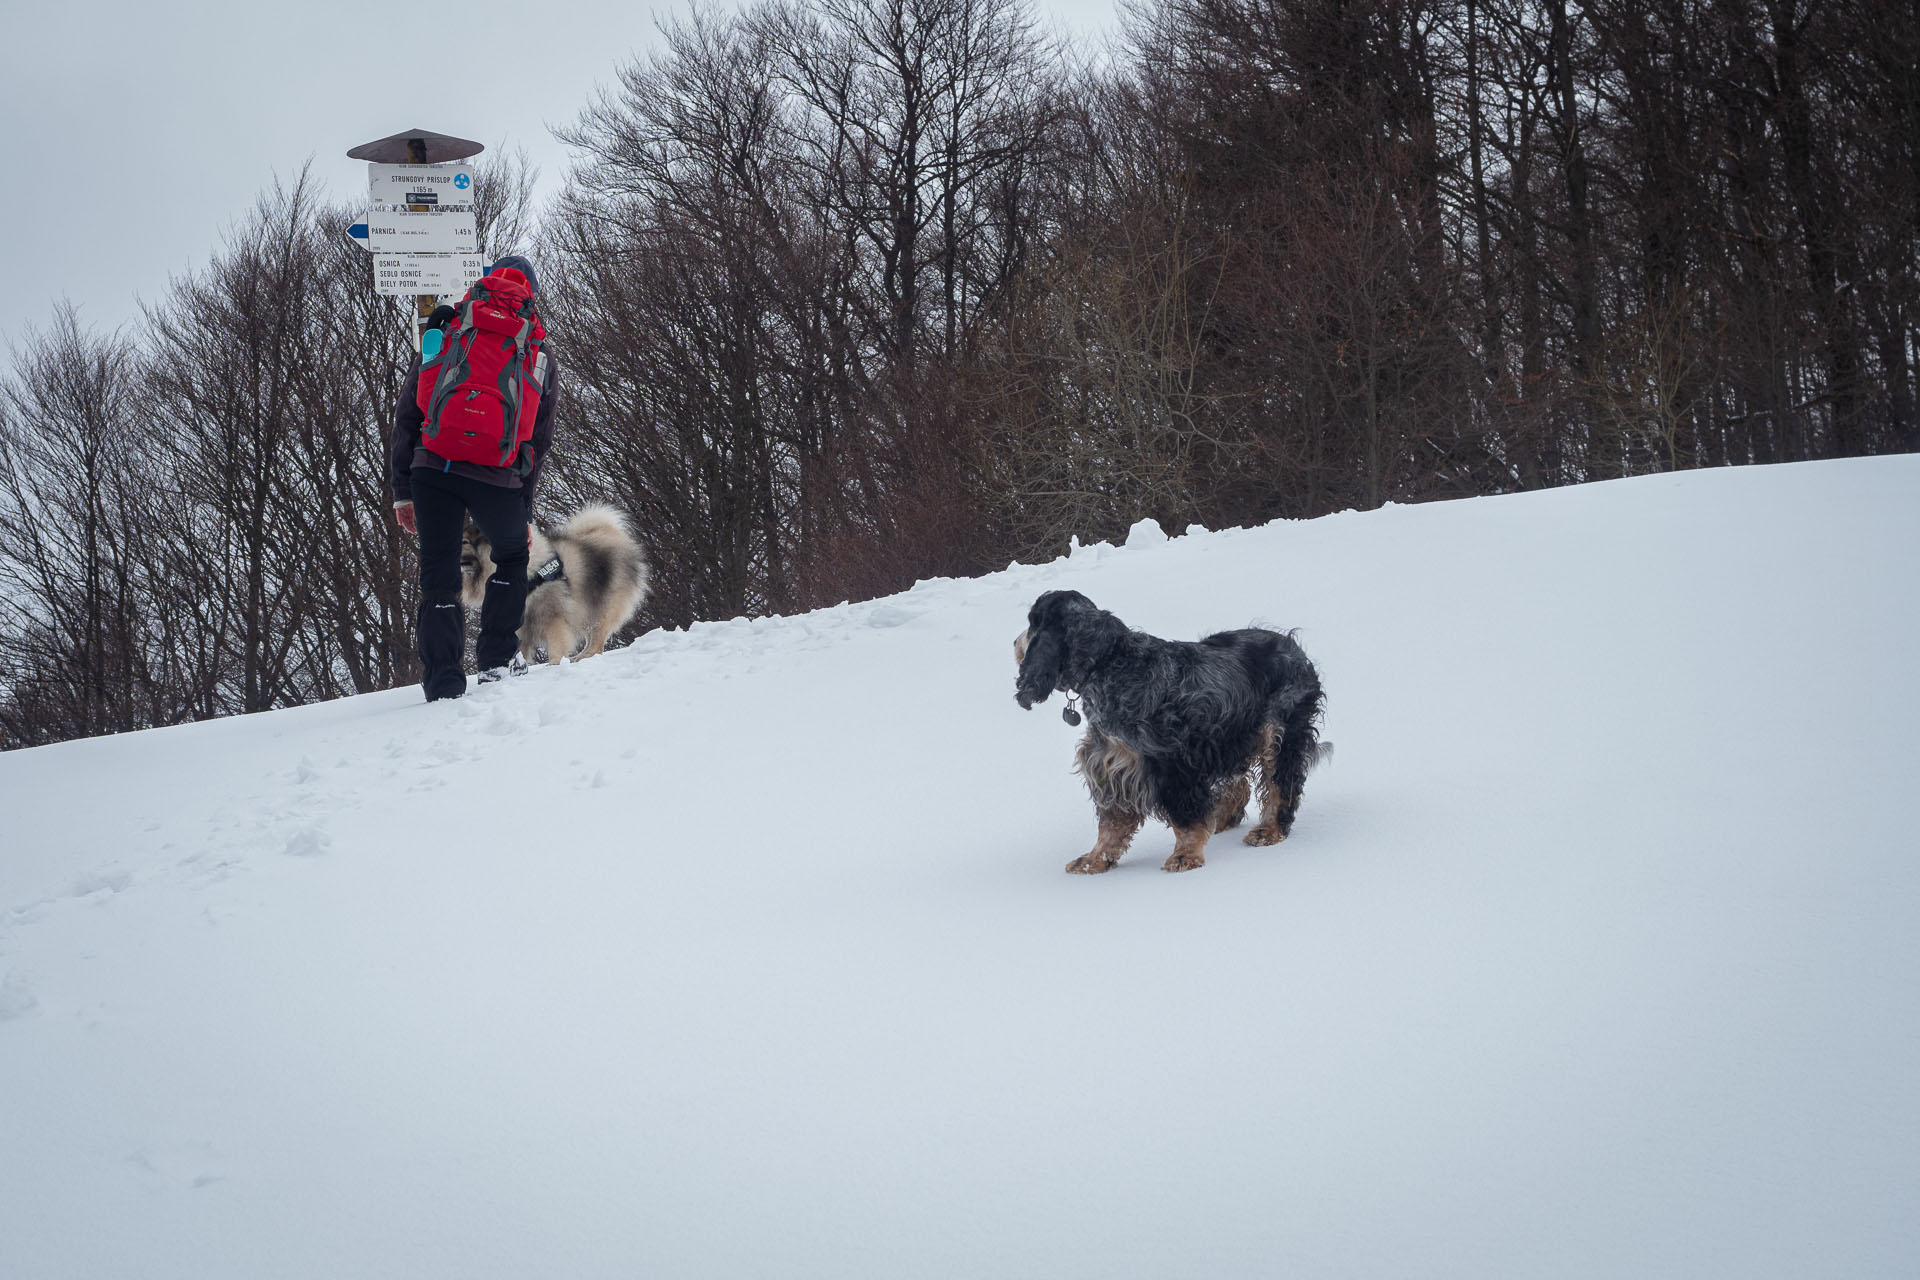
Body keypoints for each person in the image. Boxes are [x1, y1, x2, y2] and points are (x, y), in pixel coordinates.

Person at [390, 255, 559, 701]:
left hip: (434, 466)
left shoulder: (449, 328)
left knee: (438, 574)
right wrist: (522, 513)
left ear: (483, 285)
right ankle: (497, 660)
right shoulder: (536, 349)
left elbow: (410, 412)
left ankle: (444, 681)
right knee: (510, 557)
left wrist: (402, 491)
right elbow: (537, 440)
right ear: (530, 294)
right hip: (496, 475)